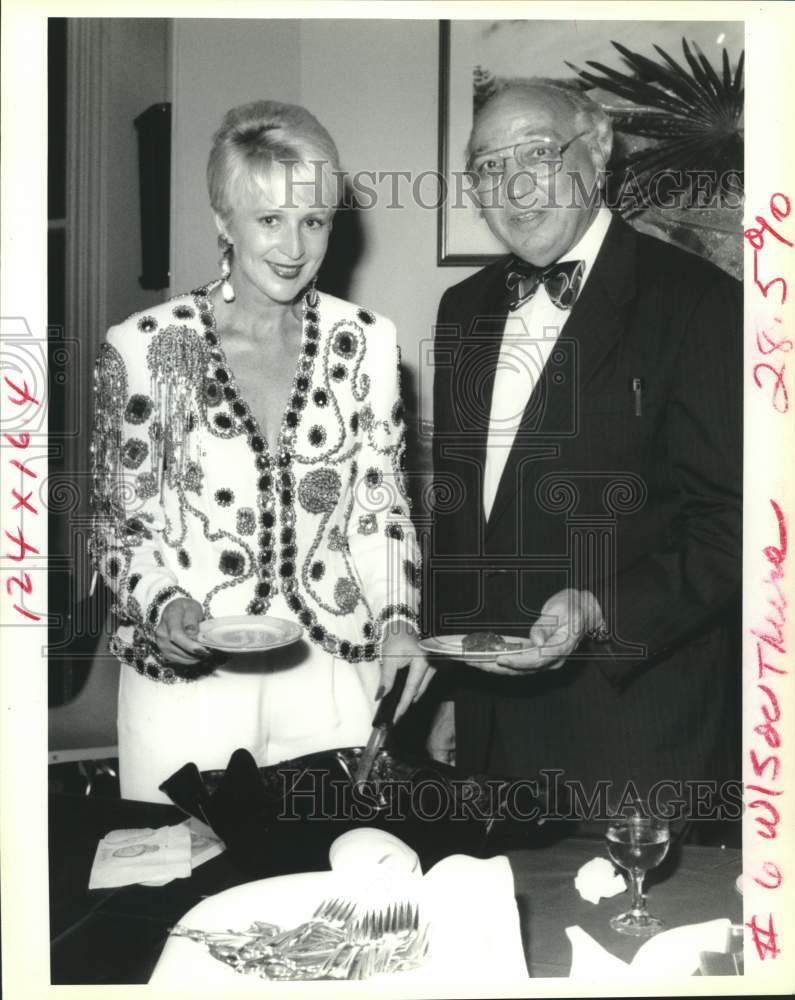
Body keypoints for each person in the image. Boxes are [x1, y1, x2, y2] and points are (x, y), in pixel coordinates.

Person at [90, 100, 432, 803]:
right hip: (191, 687)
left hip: (335, 679)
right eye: (268, 219)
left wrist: (399, 621)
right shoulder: (147, 346)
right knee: (180, 895)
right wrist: (165, 606)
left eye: (313, 221)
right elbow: (121, 526)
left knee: (337, 889)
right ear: (224, 220)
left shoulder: (366, 341)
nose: (294, 246)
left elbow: (380, 511)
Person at [427, 81, 741, 820]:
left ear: (597, 151)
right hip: (490, 736)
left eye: (536, 153)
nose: (513, 186)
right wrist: (455, 695)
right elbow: (461, 522)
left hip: (635, 735)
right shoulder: (461, 309)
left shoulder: (698, 301)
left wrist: (599, 609)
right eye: (488, 166)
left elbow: (732, 527)